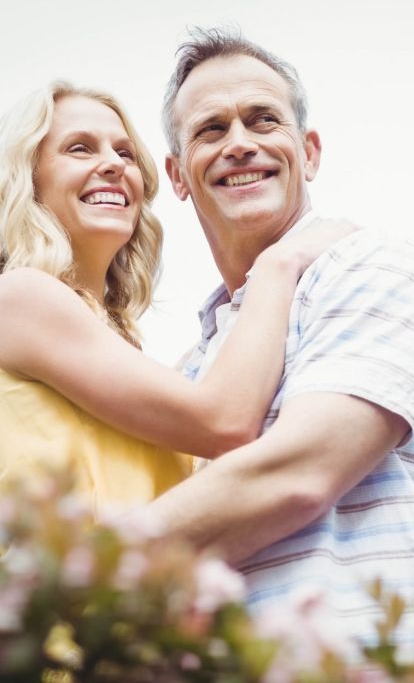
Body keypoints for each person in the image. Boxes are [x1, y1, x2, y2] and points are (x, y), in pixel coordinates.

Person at [141, 27, 414, 680]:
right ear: (177, 176)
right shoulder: (194, 367)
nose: (239, 142)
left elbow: (297, 473)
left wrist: (69, 573)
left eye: (262, 119)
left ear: (310, 150)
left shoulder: (371, 266)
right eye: (210, 130)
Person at [0, 80, 353, 516]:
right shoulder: (19, 297)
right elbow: (224, 422)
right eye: (80, 149)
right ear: (26, 179)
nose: (113, 164)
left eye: (125, 153)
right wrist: (279, 263)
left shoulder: (128, 352)